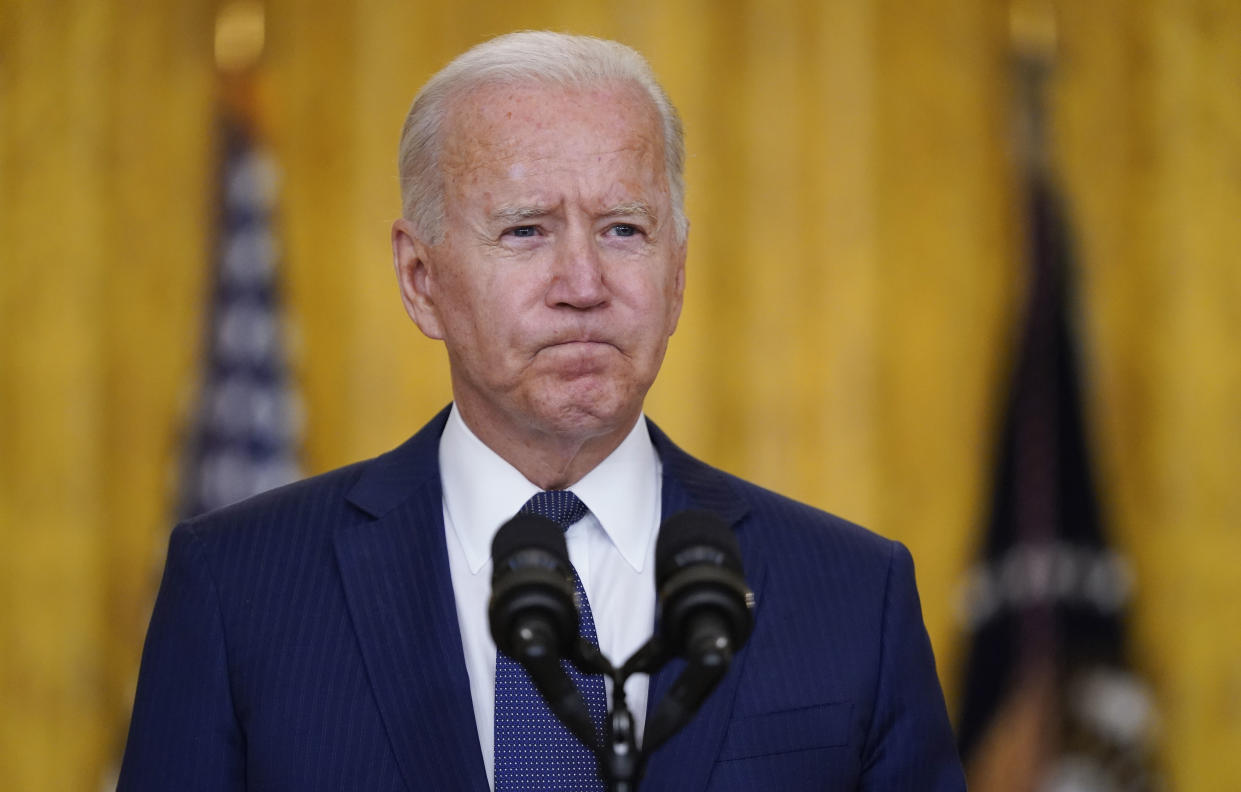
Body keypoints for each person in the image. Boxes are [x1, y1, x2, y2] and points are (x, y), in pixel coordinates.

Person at [118, 31, 965, 791]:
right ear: (421, 281)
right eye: (525, 231)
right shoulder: (241, 587)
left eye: (624, 230)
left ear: (677, 276)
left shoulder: (854, 596)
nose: (584, 285)